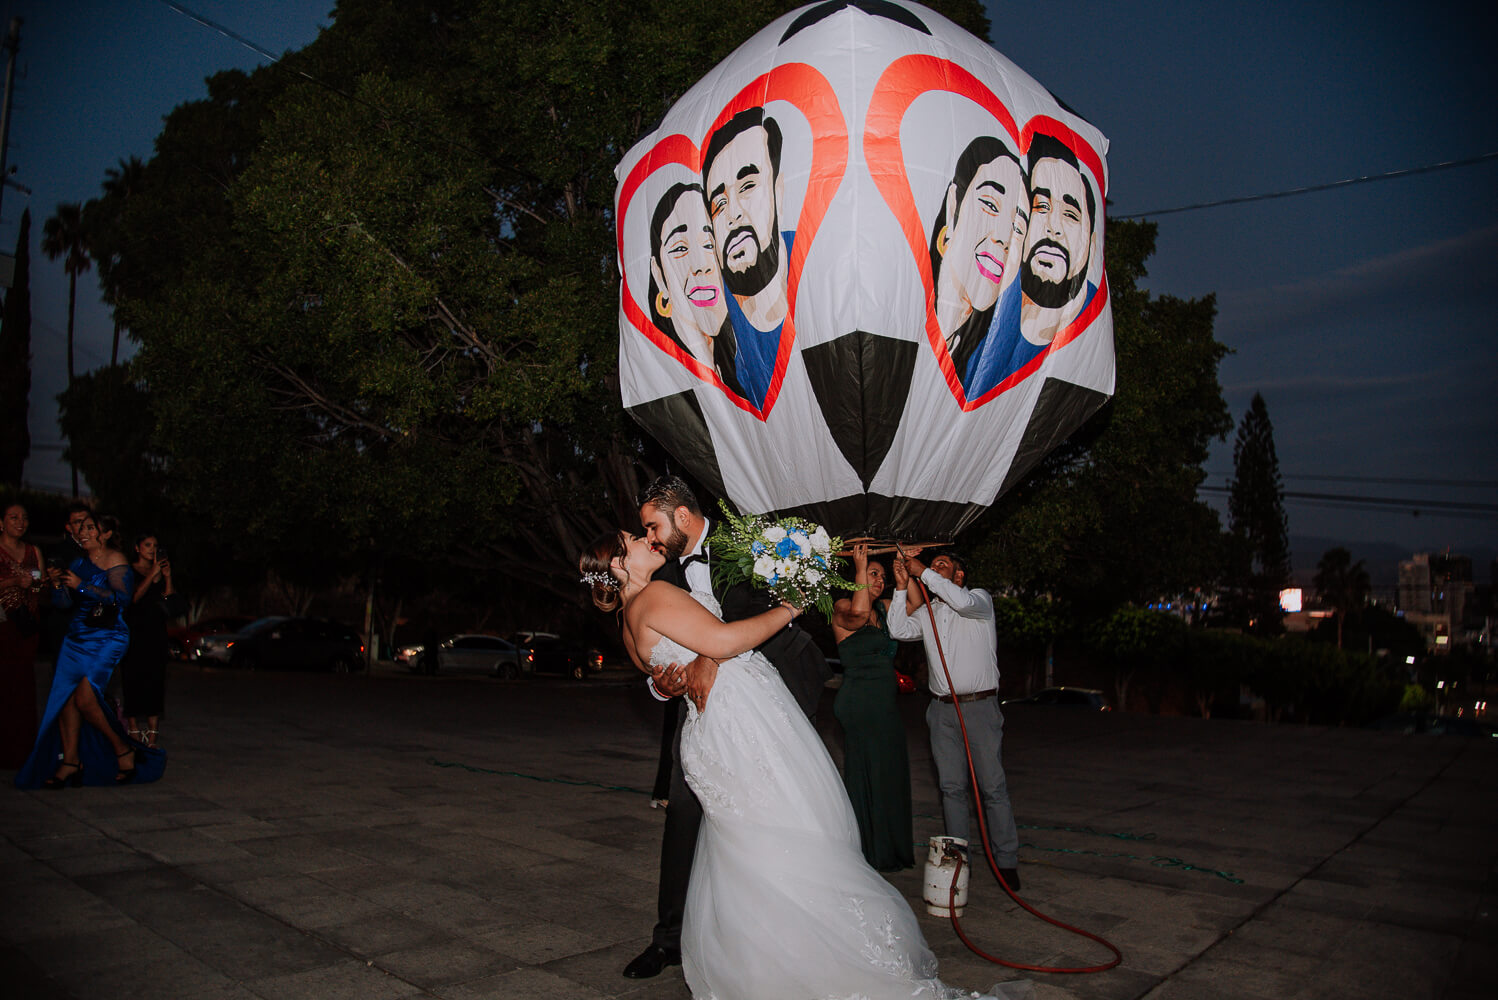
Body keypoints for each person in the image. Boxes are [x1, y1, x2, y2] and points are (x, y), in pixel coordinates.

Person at [581, 530, 995, 1000]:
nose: (645, 538)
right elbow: (723, 640)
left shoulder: (628, 619)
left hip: (712, 732)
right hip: (741, 728)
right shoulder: (655, 593)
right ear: (617, 565)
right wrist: (792, 608)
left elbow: (659, 669)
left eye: (647, 529)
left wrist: (677, 675)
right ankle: (812, 960)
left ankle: (764, 966)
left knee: (750, 851)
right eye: (632, 538)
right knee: (796, 835)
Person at [622, 474, 829, 979]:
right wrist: (663, 685)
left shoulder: (749, 540)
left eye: (653, 526)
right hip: (706, 710)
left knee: (785, 804)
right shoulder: (662, 576)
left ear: (684, 517)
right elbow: (655, 650)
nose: (649, 538)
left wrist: (714, 656)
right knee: (686, 809)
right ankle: (669, 937)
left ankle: (795, 923)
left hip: (779, 686)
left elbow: (742, 622)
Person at [886, 547, 1021, 890]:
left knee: (992, 787)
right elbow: (899, 630)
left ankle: (1006, 862)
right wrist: (902, 585)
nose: (934, 569)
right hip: (941, 710)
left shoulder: (977, 601)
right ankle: (959, 862)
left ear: (959, 576)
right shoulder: (930, 612)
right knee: (951, 789)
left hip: (978, 708)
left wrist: (922, 571)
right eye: (933, 565)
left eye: (942, 565)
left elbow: (959, 602)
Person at [14, 514, 165, 789]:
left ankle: (123, 750)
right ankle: (70, 762)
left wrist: (82, 585)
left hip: (109, 636)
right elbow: (62, 604)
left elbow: (121, 599)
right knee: (66, 700)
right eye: (79, 528)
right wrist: (59, 585)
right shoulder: (78, 563)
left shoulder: (116, 559)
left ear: (104, 534)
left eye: (89, 528)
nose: (82, 533)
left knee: (86, 699)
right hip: (77, 637)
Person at [702, 107, 795, 409]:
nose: (733, 213)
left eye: (748, 186)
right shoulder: (713, 324)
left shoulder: (820, 272)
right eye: (719, 203)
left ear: (777, 189)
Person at [829, 541, 914, 871]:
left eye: (881, 576)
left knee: (889, 771)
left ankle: (890, 846)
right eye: (872, 575)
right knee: (868, 770)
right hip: (859, 702)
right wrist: (862, 567)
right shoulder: (842, 606)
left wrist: (907, 579)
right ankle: (867, 850)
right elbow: (858, 615)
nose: (879, 580)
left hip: (885, 704)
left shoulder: (887, 609)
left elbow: (917, 608)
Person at [927, 135, 1029, 386]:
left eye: (1017, 227)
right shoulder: (900, 312)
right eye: (990, 206)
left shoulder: (981, 366)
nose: (1003, 238)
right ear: (954, 208)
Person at [647, 181, 745, 398]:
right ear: (658, 274)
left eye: (710, 244)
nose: (702, 266)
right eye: (680, 248)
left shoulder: (741, 373)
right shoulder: (667, 389)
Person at [1017, 133, 1098, 349]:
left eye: (1070, 215)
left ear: (1092, 239)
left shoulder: (1092, 336)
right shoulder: (983, 311)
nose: (1053, 227)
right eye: (1041, 207)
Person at [120, 533, 182, 748]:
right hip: (135, 632)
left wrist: (166, 576)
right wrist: (151, 574)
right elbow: (132, 599)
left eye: (155, 545)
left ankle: (153, 735)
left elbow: (169, 601)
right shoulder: (129, 570)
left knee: (155, 682)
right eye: (147, 545)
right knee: (133, 681)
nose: (151, 549)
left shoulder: (159, 571)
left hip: (156, 632)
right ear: (137, 548)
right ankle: (134, 730)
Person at [0, 502, 43, 768]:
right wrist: (15, 582)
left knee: (23, 685)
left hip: (27, 623)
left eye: (24, 518)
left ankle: (22, 751)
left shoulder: (33, 551)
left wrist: (36, 586)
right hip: (2, 621)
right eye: (13, 517)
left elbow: (41, 588)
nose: (20, 522)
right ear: (1, 522)